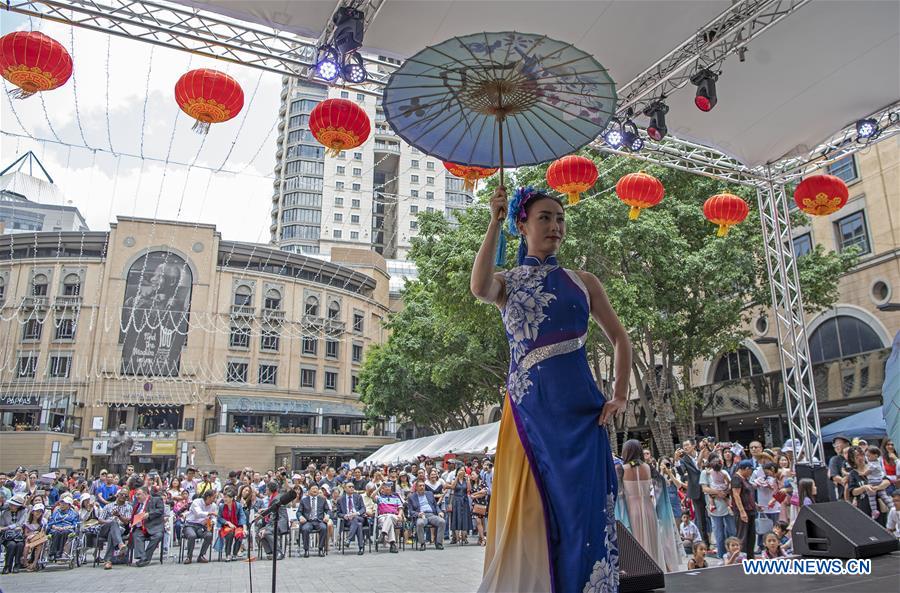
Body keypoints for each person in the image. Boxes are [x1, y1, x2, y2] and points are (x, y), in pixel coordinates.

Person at [472, 186, 629, 593]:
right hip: (532, 412)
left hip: (584, 414)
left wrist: (620, 395)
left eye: (560, 218)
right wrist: (493, 221)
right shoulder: (506, 283)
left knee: (587, 513)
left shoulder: (584, 281)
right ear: (520, 224)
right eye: (544, 217)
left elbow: (621, 340)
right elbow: (478, 286)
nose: (555, 226)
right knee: (534, 512)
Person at [616, 440, 681, 572]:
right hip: (649, 509)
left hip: (631, 511)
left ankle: (638, 574)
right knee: (652, 543)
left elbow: (617, 493)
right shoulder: (649, 468)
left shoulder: (621, 469)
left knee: (635, 544)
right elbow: (661, 486)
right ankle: (654, 573)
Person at [699, 453, 734, 558]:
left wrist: (726, 491)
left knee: (732, 530)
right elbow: (705, 489)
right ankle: (721, 555)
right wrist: (718, 492)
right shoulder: (705, 473)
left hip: (727, 504)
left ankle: (733, 553)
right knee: (719, 532)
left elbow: (730, 483)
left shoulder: (724, 472)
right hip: (715, 506)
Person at [678, 439, 710, 546]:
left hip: (709, 488)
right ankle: (704, 543)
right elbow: (681, 472)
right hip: (696, 490)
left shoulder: (704, 453)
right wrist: (676, 461)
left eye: (687, 445)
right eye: (684, 445)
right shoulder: (683, 459)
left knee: (712, 516)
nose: (685, 447)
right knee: (700, 518)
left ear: (693, 445)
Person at [408, 478, 445, 550]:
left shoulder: (429, 494)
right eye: (420, 486)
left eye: (423, 486)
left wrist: (439, 511)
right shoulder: (412, 497)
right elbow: (411, 511)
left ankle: (439, 543)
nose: (422, 487)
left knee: (442, 521)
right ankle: (422, 543)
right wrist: (418, 514)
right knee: (419, 524)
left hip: (431, 514)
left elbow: (435, 505)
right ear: (416, 487)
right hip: (421, 516)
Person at [131, 487, 165, 567]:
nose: (137, 496)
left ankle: (145, 557)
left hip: (154, 526)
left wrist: (149, 514)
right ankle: (144, 558)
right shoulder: (137, 504)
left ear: (145, 494)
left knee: (158, 536)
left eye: (139, 494)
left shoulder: (156, 500)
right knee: (136, 535)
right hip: (141, 527)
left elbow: (160, 511)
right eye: (136, 494)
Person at [98, 490, 131, 569]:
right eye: (122, 494)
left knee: (112, 533)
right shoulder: (109, 506)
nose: (123, 497)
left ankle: (108, 561)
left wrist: (119, 516)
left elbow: (127, 522)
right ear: (117, 495)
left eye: (126, 496)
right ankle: (120, 544)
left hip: (120, 529)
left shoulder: (128, 507)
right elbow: (100, 520)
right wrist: (109, 522)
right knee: (113, 523)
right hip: (105, 527)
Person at [731, 460, 757, 558]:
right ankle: (740, 558)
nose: (751, 473)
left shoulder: (745, 479)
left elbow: (747, 495)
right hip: (743, 512)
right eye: (750, 470)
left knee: (751, 537)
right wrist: (742, 511)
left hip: (750, 511)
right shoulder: (736, 479)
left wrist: (755, 505)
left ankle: (750, 558)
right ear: (746, 469)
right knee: (742, 537)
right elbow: (736, 495)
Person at [183, 490, 217, 563]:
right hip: (190, 525)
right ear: (208, 497)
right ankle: (189, 557)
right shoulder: (196, 502)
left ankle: (201, 555)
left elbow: (214, 517)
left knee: (209, 535)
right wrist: (209, 513)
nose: (214, 500)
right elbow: (198, 513)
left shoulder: (213, 505)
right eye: (213, 498)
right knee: (192, 536)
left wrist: (212, 522)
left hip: (201, 526)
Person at [46, 494, 80, 561]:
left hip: (67, 528)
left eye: (65, 504)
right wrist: (54, 527)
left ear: (69, 505)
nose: (62, 505)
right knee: (56, 533)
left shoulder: (73, 514)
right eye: (61, 503)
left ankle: (60, 552)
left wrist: (67, 527)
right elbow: (51, 522)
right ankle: (53, 552)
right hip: (56, 528)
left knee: (65, 533)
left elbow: (75, 524)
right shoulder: (56, 512)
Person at [863, 446, 894, 518]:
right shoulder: (876, 462)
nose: (867, 457)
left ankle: (874, 510)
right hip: (879, 482)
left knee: (872, 498)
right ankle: (892, 507)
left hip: (873, 482)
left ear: (875, 455)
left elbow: (867, 472)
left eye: (868, 456)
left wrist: (862, 473)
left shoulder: (873, 465)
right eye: (866, 456)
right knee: (884, 496)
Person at [217, 488, 247, 562]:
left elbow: (242, 517)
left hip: (237, 526)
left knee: (240, 534)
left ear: (232, 498)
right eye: (224, 497)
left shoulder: (238, 505)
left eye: (226, 497)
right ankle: (228, 554)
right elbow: (219, 518)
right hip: (226, 526)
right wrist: (227, 522)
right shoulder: (222, 506)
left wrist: (244, 528)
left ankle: (235, 553)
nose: (224, 499)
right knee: (230, 533)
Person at [299, 484, 328, 557]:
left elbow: (328, 510)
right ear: (309, 491)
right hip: (308, 521)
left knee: (324, 528)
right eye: (313, 489)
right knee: (305, 529)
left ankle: (321, 549)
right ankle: (306, 550)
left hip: (319, 521)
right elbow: (299, 511)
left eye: (316, 488)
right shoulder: (304, 500)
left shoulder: (322, 499)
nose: (315, 490)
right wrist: (300, 517)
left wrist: (327, 515)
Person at [0, 494, 27, 573]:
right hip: (7, 536)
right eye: (11, 504)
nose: (11, 506)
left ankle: (17, 565)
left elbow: (20, 523)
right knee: (11, 545)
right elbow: (2, 524)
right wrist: (8, 528)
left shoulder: (23, 512)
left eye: (14, 505)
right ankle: (7, 566)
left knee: (20, 545)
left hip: (19, 535)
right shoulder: (5, 512)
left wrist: (8, 527)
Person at [337, 482, 366, 555]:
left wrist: (356, 514)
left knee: (355, 519)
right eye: (349, 487)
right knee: (358, 525)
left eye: (353, 486)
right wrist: (344, 516)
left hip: (359, 517)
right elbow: (338, 513)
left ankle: (348, 539)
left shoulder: (358, 497)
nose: (352, 488)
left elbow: (363, 509)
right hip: (347, 520)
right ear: (345, 488)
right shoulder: (340, 499)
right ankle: (361, 548)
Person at [374, 482, 403, 553]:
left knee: (389, 516)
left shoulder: (396, 498)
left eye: (389, 487)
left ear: (391, 489)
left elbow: (400, 509)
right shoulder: (379, 498)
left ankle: (383, 534)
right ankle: (392, 544)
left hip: (395, 517)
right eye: (385, 487)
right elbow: (372, 495)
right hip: (382, 517)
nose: (387, 488)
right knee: (389, 522)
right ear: (383, 489)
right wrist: (380, 486)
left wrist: (399, 515)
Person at [21, 503, 47, 572]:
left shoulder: (43, 522)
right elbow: (25, 534)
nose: (38, 513)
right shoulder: (28, 523)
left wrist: (37, 534)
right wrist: (32, 534)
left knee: (39, 545)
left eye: (40, 511)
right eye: (37, 511)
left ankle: (34, 563)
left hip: (39, 539)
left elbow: (43, 533)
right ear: (32, 512)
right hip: (30, 539)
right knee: (27, 546)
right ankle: (25, 562)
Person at [828, 435, 851, 500]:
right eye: (835, 444)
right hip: (844, 496)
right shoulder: (835, 459)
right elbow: (834, 476)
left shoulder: (856, 457)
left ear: (847, 444)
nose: (836, 446)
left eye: (838, 443)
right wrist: (848, 483)